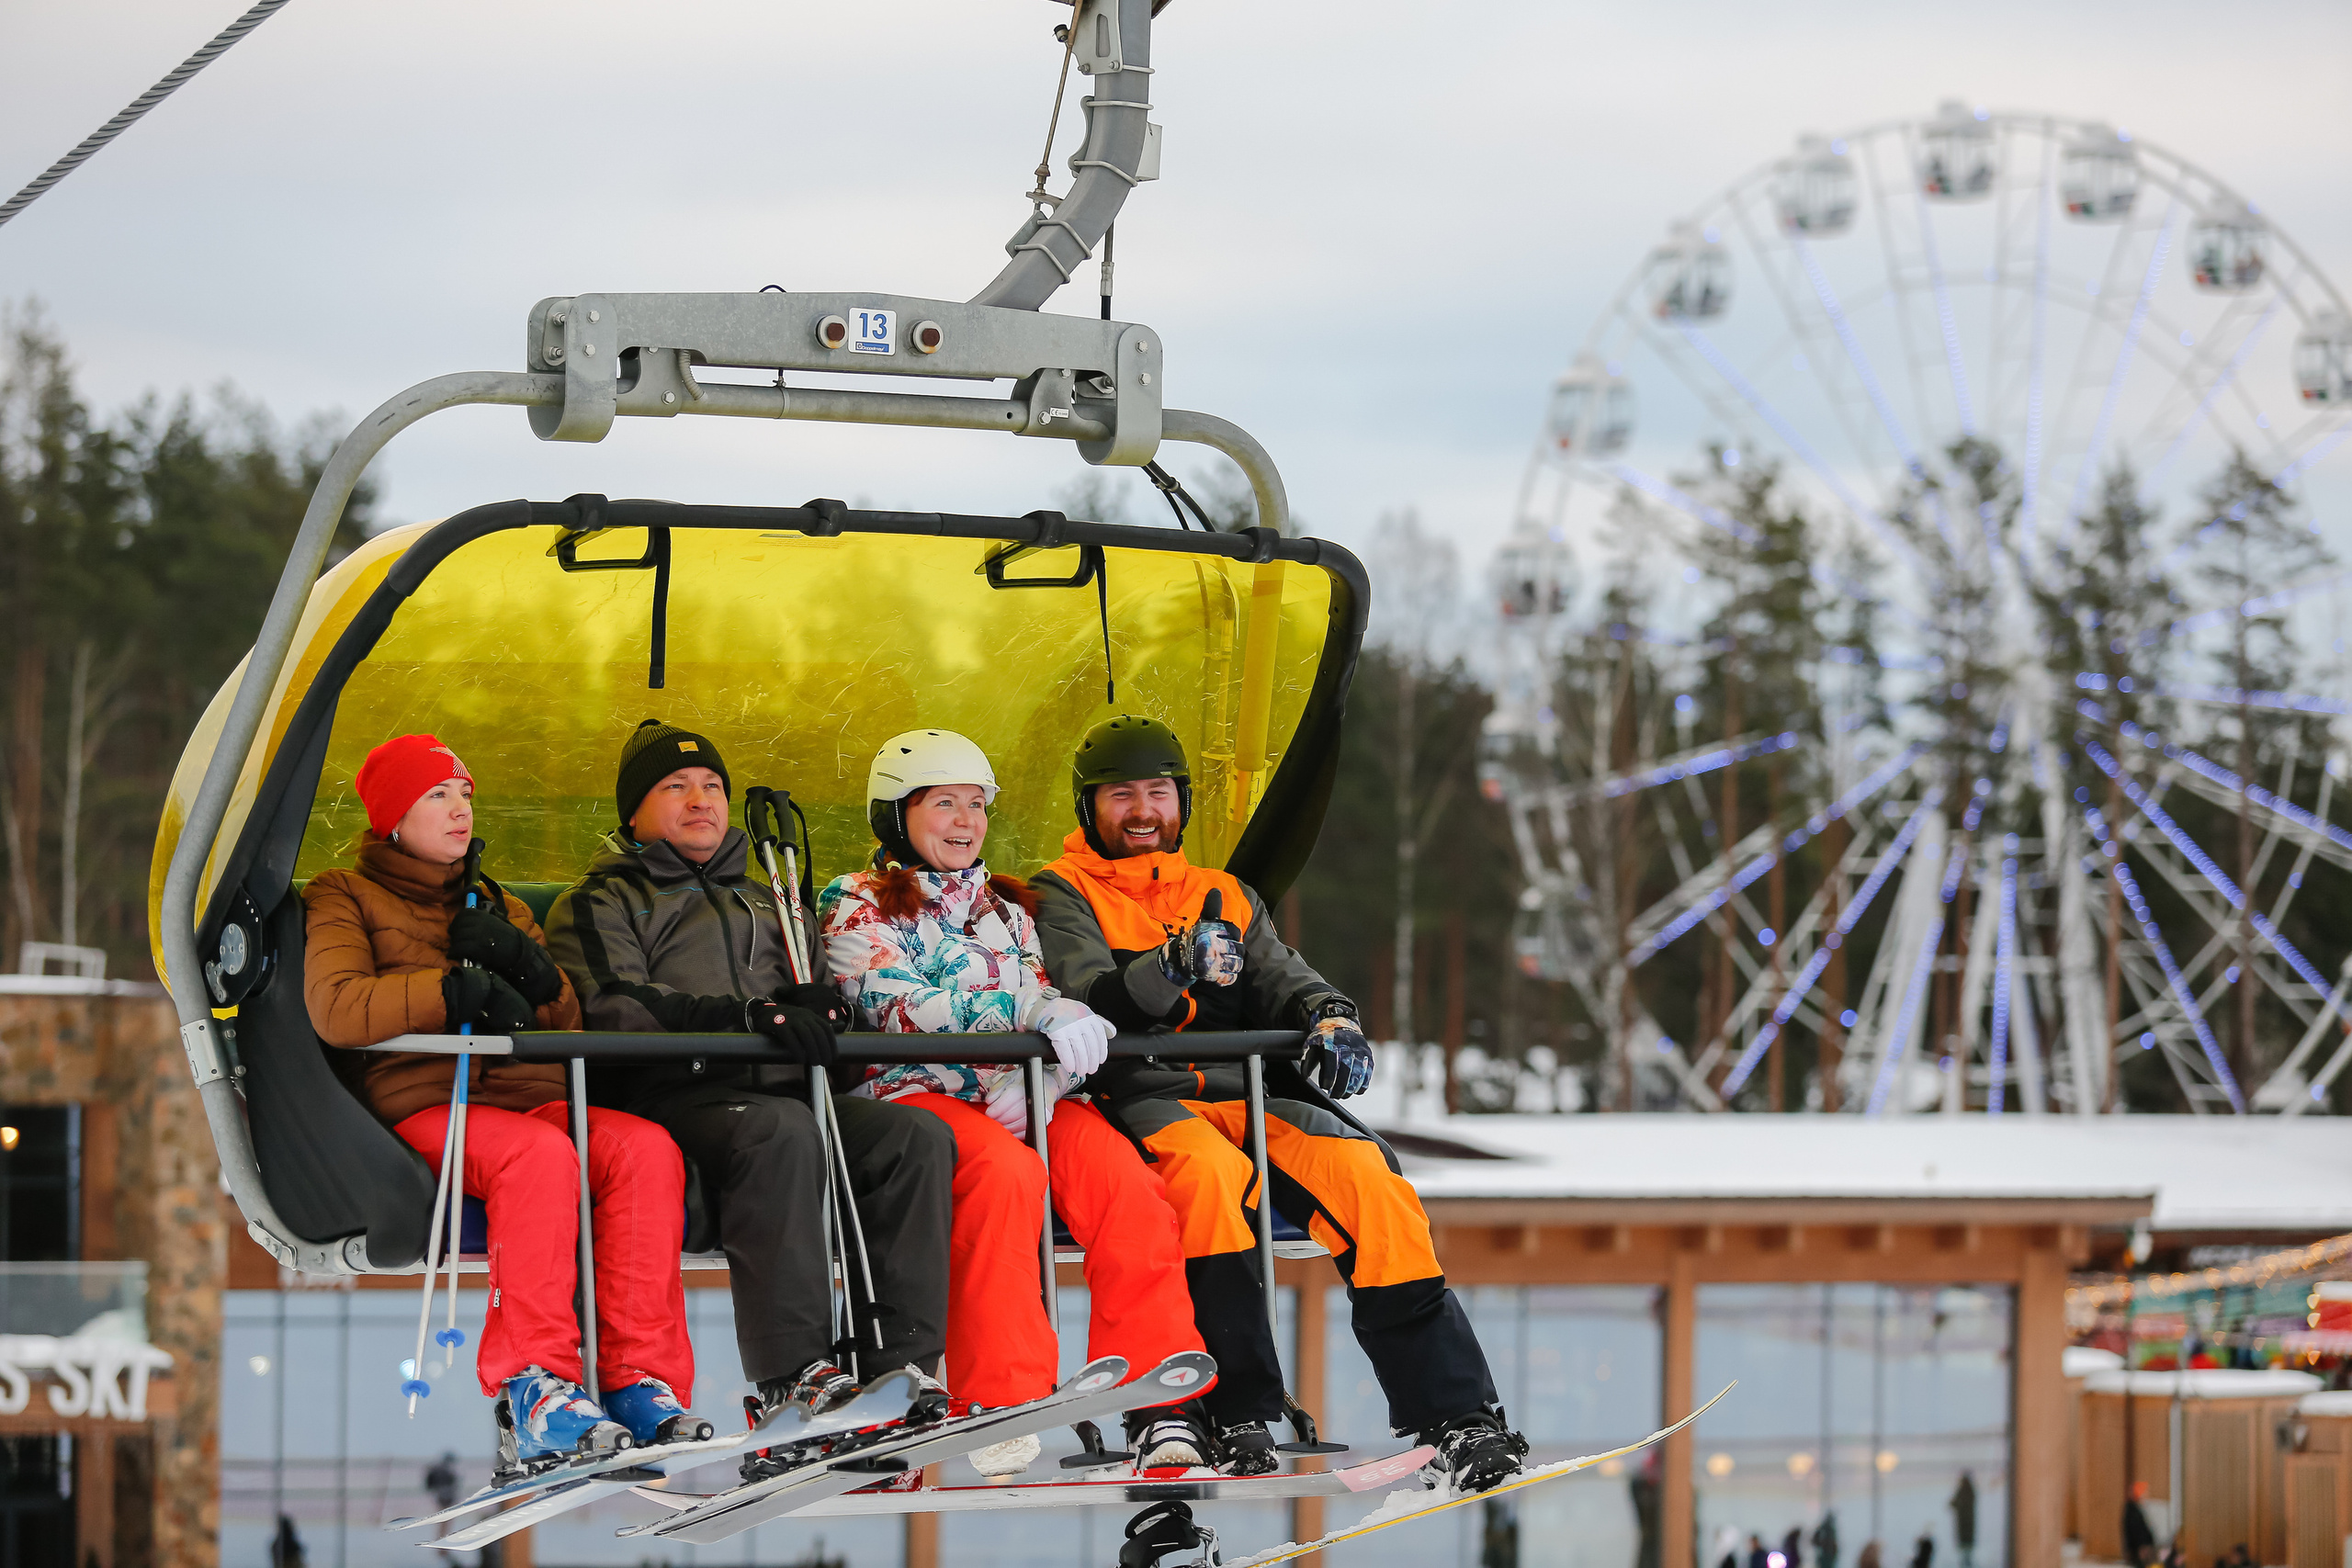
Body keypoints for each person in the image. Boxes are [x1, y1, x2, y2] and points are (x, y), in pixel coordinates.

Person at [1029, 715, 1527, 1491]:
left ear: (1181, 801)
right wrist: (1172, 964)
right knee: (1205, 1177)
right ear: (1089, 808)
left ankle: (1455, 1411)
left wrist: (1331, 1017)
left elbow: (1284, 976)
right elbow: (1093, 993)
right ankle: (1229, 1404)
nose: (1141, 811)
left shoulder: (1223, 894)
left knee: (1368, 1178)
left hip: (1247, 1092)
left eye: (1157, 792)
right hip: (1140, 1091)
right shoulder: (1062, 893)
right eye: (1120, 795)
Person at [545, 719, 956, 1456]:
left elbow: (821, 991)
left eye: (711, 786)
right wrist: (745, 1017)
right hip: (679, 1093)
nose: (700, 799)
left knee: (913, 1136)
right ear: (634, 811)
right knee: (779, 1131)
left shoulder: (773, 894)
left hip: (785, 1092)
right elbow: (615, 1004)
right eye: (675, 786)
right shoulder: (604, 899)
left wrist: (828, 1013)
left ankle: (900, 1362)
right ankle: (791, 1377)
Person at [820, 728, 1218, 1476]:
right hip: (913, 1092)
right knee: (1006, 1176)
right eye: (944, 804)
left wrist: (1049, 1074)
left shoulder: (1006, 906)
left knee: (1128, 1184)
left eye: (975, 804)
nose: (966, 822)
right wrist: (1027, 1018)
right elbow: (892, 1002)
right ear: (895, 815)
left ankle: (1157, 1401)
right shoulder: (856, 900)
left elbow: (1047, 997)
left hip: (1017, 1091)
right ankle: (998, 1394)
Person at [303, 734, 700, 1464]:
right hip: (427, 1103)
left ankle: (639, 1376)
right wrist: (448, 990)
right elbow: (335, 1005)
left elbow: (565, 1023)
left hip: (528, 1096)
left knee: (644, 1148)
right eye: (437, 795)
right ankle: (536, 1381)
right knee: (539, 1156)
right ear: (394, 814)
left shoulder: (501, 903)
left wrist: (533, 973)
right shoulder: (343, 894)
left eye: (466, 794)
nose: (459, 810)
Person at [2123, 1480, 2157, 1566]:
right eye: (2145, 1492)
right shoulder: (2133, 1512)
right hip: (2141, 1549)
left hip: (2142, 1548)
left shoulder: (2135, 1509)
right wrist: (2142, 1546)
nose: (2147, 1495)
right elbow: (2136, 1532)